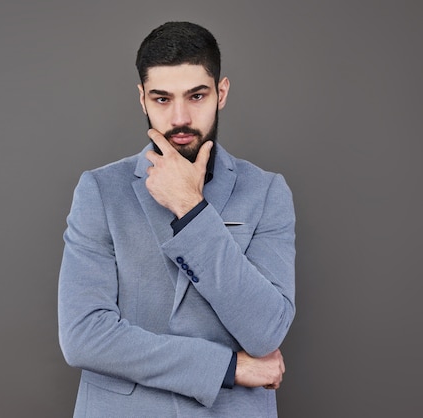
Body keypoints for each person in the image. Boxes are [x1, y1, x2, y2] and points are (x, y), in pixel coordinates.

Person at [58, 21, 295, 417]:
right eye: (162, 99)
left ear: (221, 93)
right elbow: (84, 336)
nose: (180, 118)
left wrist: (191, 209)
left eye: (196, 96)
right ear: (142, 98)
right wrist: (228, 367)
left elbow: (266, 331)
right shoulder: (99, 191)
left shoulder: (267, 192)